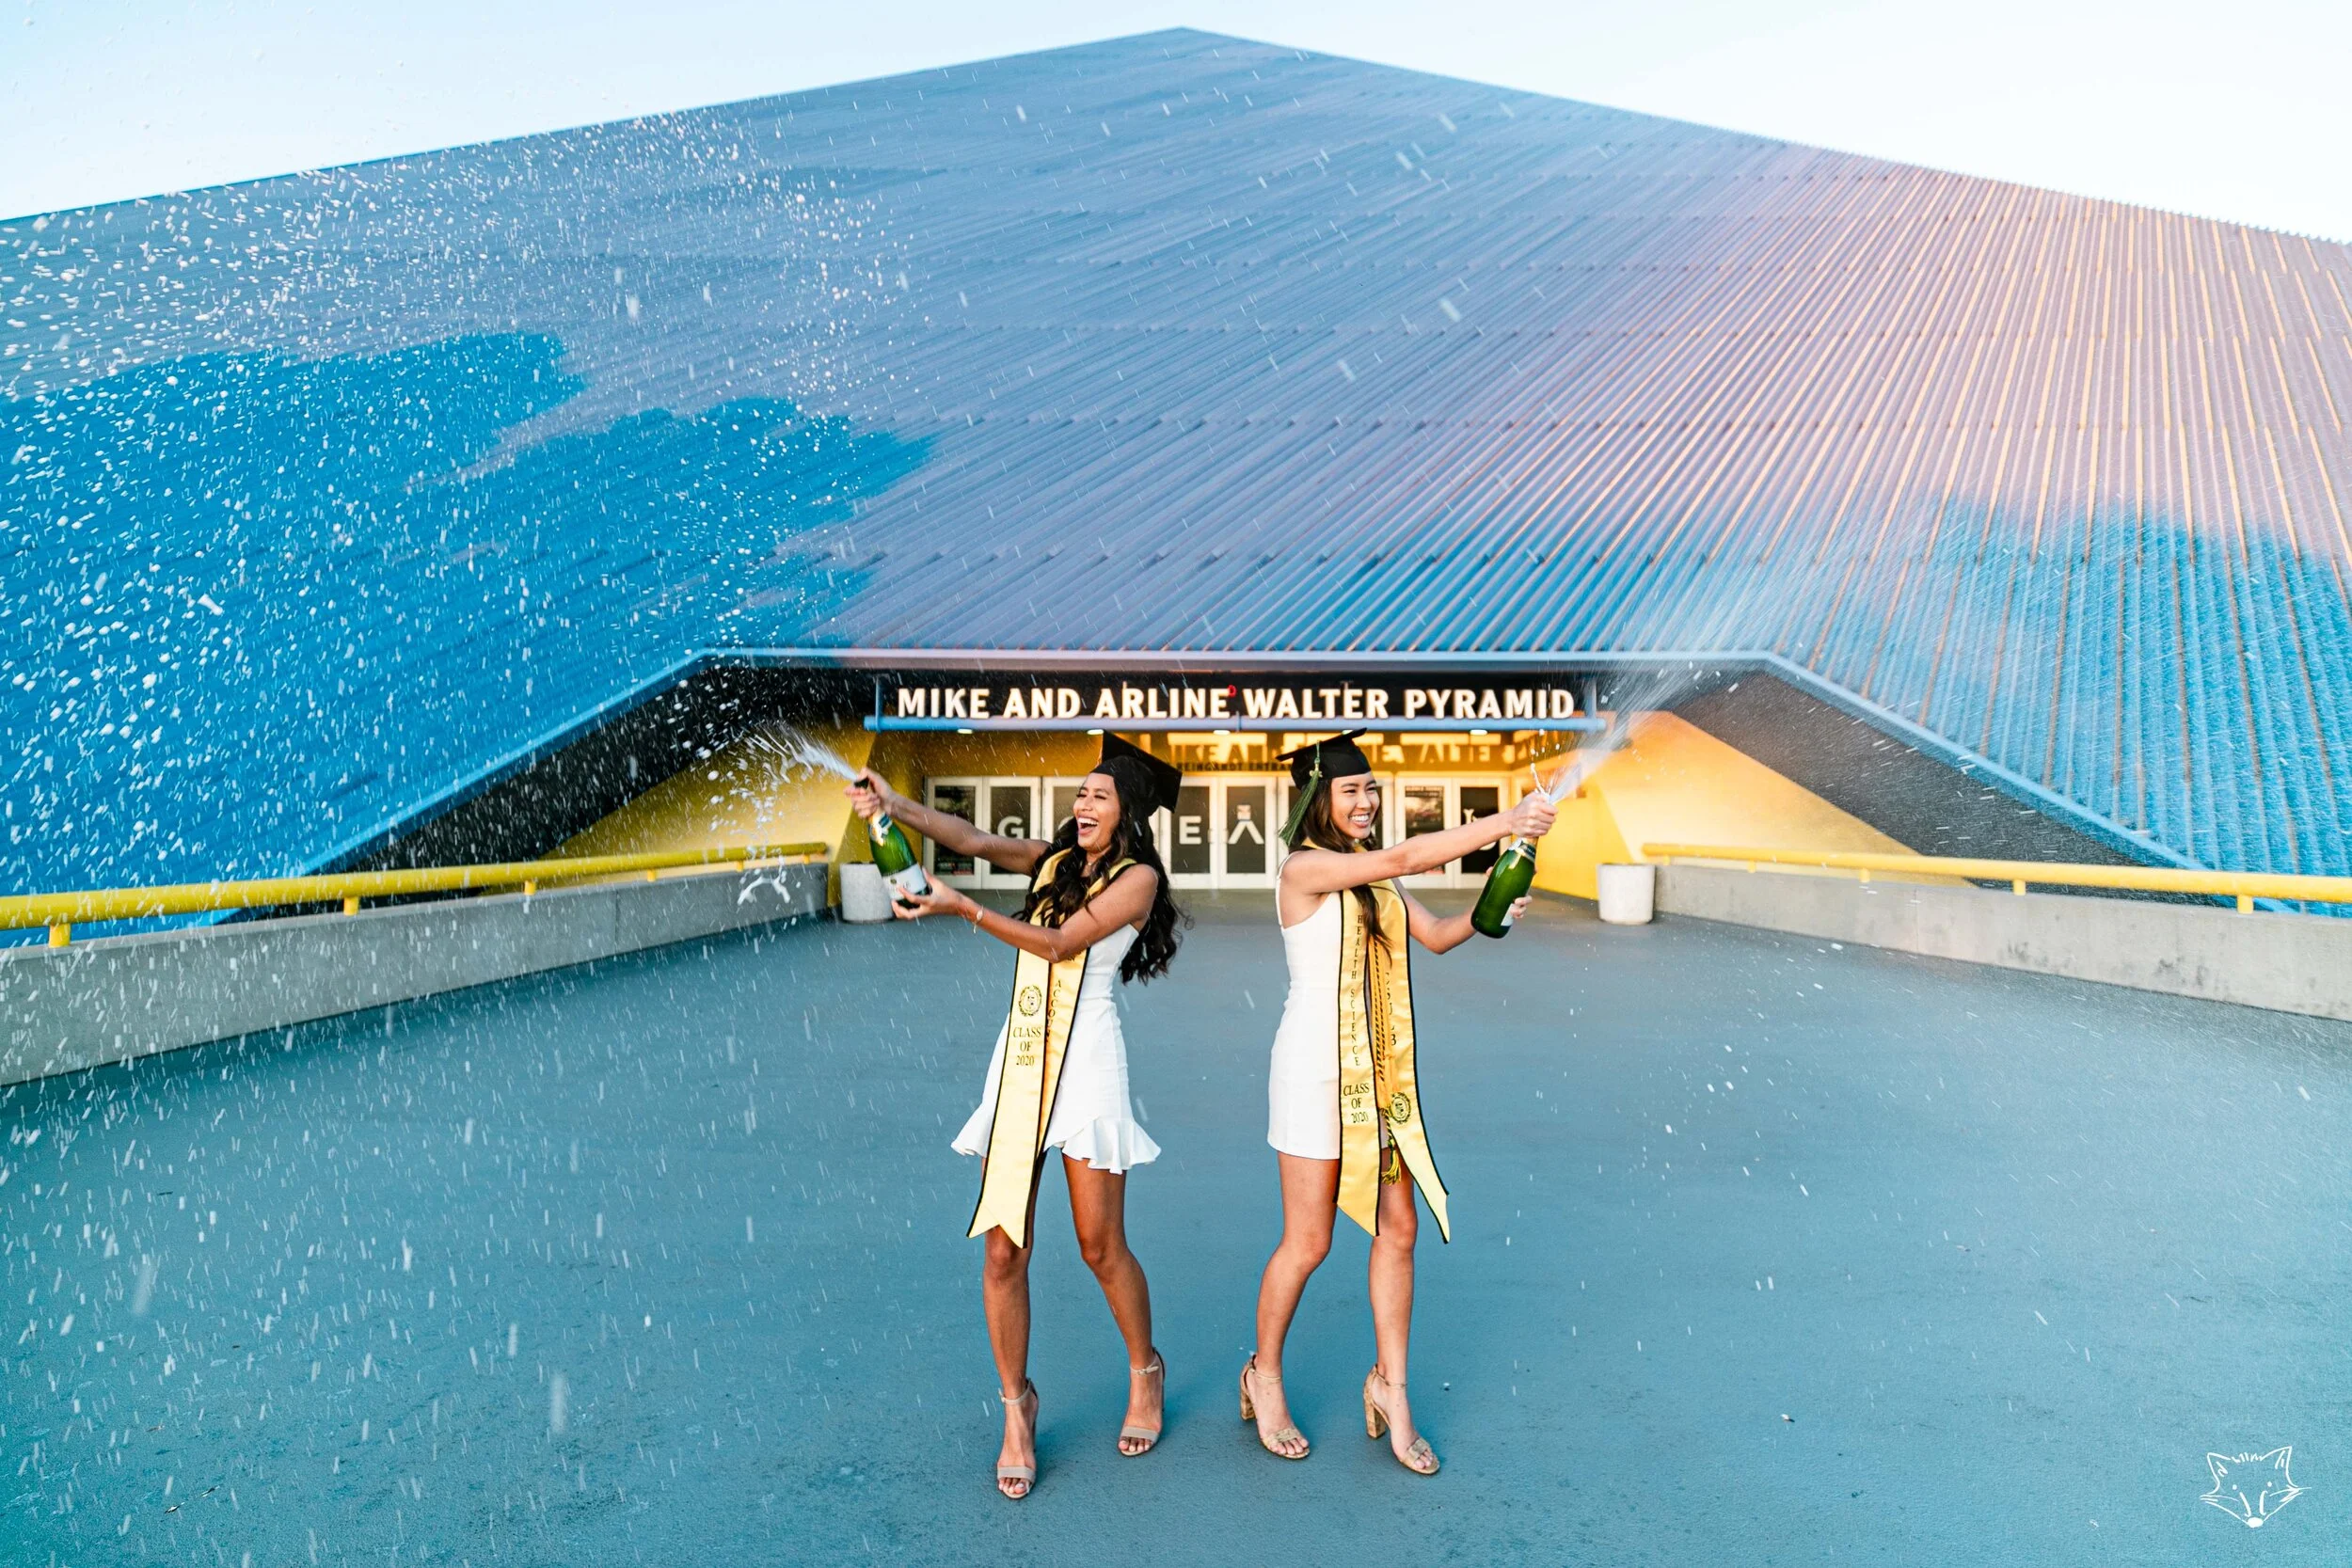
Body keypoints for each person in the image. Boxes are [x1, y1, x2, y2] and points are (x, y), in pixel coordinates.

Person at [847, 736, 1187, 1500]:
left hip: (1090, 1057)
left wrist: (963, 907)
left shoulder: (1137, 880)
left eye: (1100, 795)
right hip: (1023, 1052)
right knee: (1003, 1251)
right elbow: (969, 837)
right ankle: (1016, 1407)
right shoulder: (1053, 860)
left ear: (1128, 810)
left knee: (1101, 1247)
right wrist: (889, 803)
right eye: (1081, 793)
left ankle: (1145, 1368)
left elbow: (1064, 943)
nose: (1084, 804)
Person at [1240, 730, 1556, 1476]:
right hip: (1313, 1073)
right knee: (1309, 1241)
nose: (1366, 799)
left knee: (1400, 1226)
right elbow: (1401, 855)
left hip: (1377, 1077)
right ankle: (1265, 1372)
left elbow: (1439, 936)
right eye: (1351, 789)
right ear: (1320, 798)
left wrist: (1491, 912)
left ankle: (1392, 1386)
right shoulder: (1305, 868)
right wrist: (1503, 821)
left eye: (1371, 789)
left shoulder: (1379, 885)